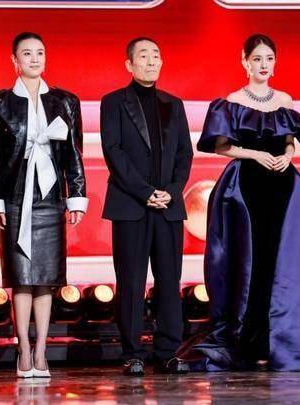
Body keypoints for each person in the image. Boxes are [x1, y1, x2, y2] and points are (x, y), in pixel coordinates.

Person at [178, 34, 300, 372]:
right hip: (246, 187)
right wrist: (256, 154)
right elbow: (221, 147)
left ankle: (280, 339)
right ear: (245, 62)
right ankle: (250, 339)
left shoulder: (284, 99)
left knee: (281, 260)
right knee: (251, 261)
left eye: (269, 59)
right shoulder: (231, 101)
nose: (264, 65)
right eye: (257, 59)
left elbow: (290, 141)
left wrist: (287, 155)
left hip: (281, 186)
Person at [0, 32, 87, 378]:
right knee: (21, 277)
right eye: (27, 53)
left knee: (46, 278)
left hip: (50, 198)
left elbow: (74, 154)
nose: (35, 59)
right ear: (14, 60)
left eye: (40, 52)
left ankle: (42, 350)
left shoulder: (65, 102)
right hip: (14, 197)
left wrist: (76, 195)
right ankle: (23, 347)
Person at [100, 37, 193, 376]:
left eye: (156, 55)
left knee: (169, 281)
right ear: (129, 64)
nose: (152, 61)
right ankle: (133, 353)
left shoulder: (174, 104)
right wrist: (145, 192)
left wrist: (171, 191)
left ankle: (168, 351)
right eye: (144, 56)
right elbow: (114, 153)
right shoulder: (113, 102)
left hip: (168, 207)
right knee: (131, 281)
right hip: (131, 205)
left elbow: (184, 153)